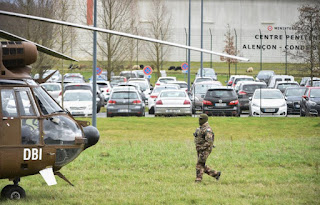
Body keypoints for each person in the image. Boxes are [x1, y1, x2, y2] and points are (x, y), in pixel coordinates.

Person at [193, 114, 221, 182]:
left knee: (199, 164)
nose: (200, 120)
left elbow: (209, 142)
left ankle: (198, 179)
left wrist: (202, 147)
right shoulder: (200, 128)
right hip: (199, 149)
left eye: (201, 119)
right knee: (201, 164)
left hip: (205, 149)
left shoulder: (207, 130)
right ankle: (215, 174)